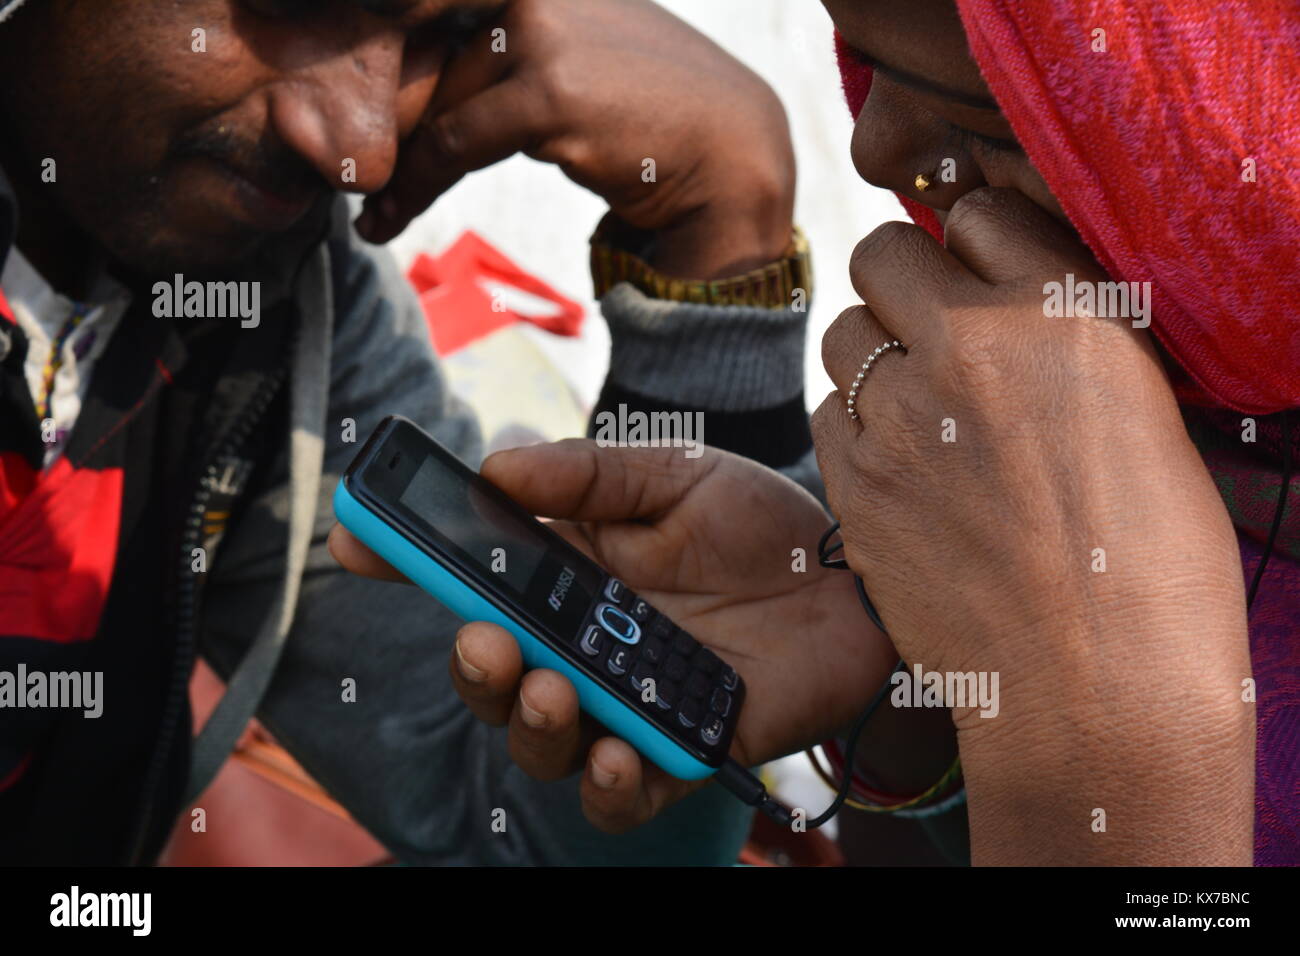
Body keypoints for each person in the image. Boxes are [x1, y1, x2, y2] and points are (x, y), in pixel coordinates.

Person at [335, 0, 1299, 865]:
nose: (872, 150)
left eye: (986, 113)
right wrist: (916, 664)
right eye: (859, 57)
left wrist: (1112, 751)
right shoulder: (1071, 414)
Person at [0, 0, 818, 865]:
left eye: (441, 31)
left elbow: (541, 836)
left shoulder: (289, 316)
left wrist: (716, 239)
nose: (365, 145)